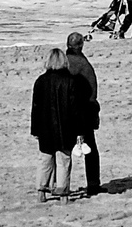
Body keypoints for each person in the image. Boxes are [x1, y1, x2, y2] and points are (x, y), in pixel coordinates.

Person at [29, 48, 89, 200]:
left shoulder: (40, 81)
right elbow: (76, 109)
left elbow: (35, 108)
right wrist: (80, 130)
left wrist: (35, 129)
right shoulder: (71, 81)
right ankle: (63, 194)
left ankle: (41, 191)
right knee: (64, 160)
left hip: (45, 127)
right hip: (66, 127)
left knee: (45, 159)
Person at [62, 31, 103, 196]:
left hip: (65, 111)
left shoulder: (64, 62)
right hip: (82, 111)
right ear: (80, 46)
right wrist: (93, 108)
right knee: (90, 149)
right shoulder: (81, 63)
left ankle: (62, 185)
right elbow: (92, 90)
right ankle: (93, 184)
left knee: (64, 150)